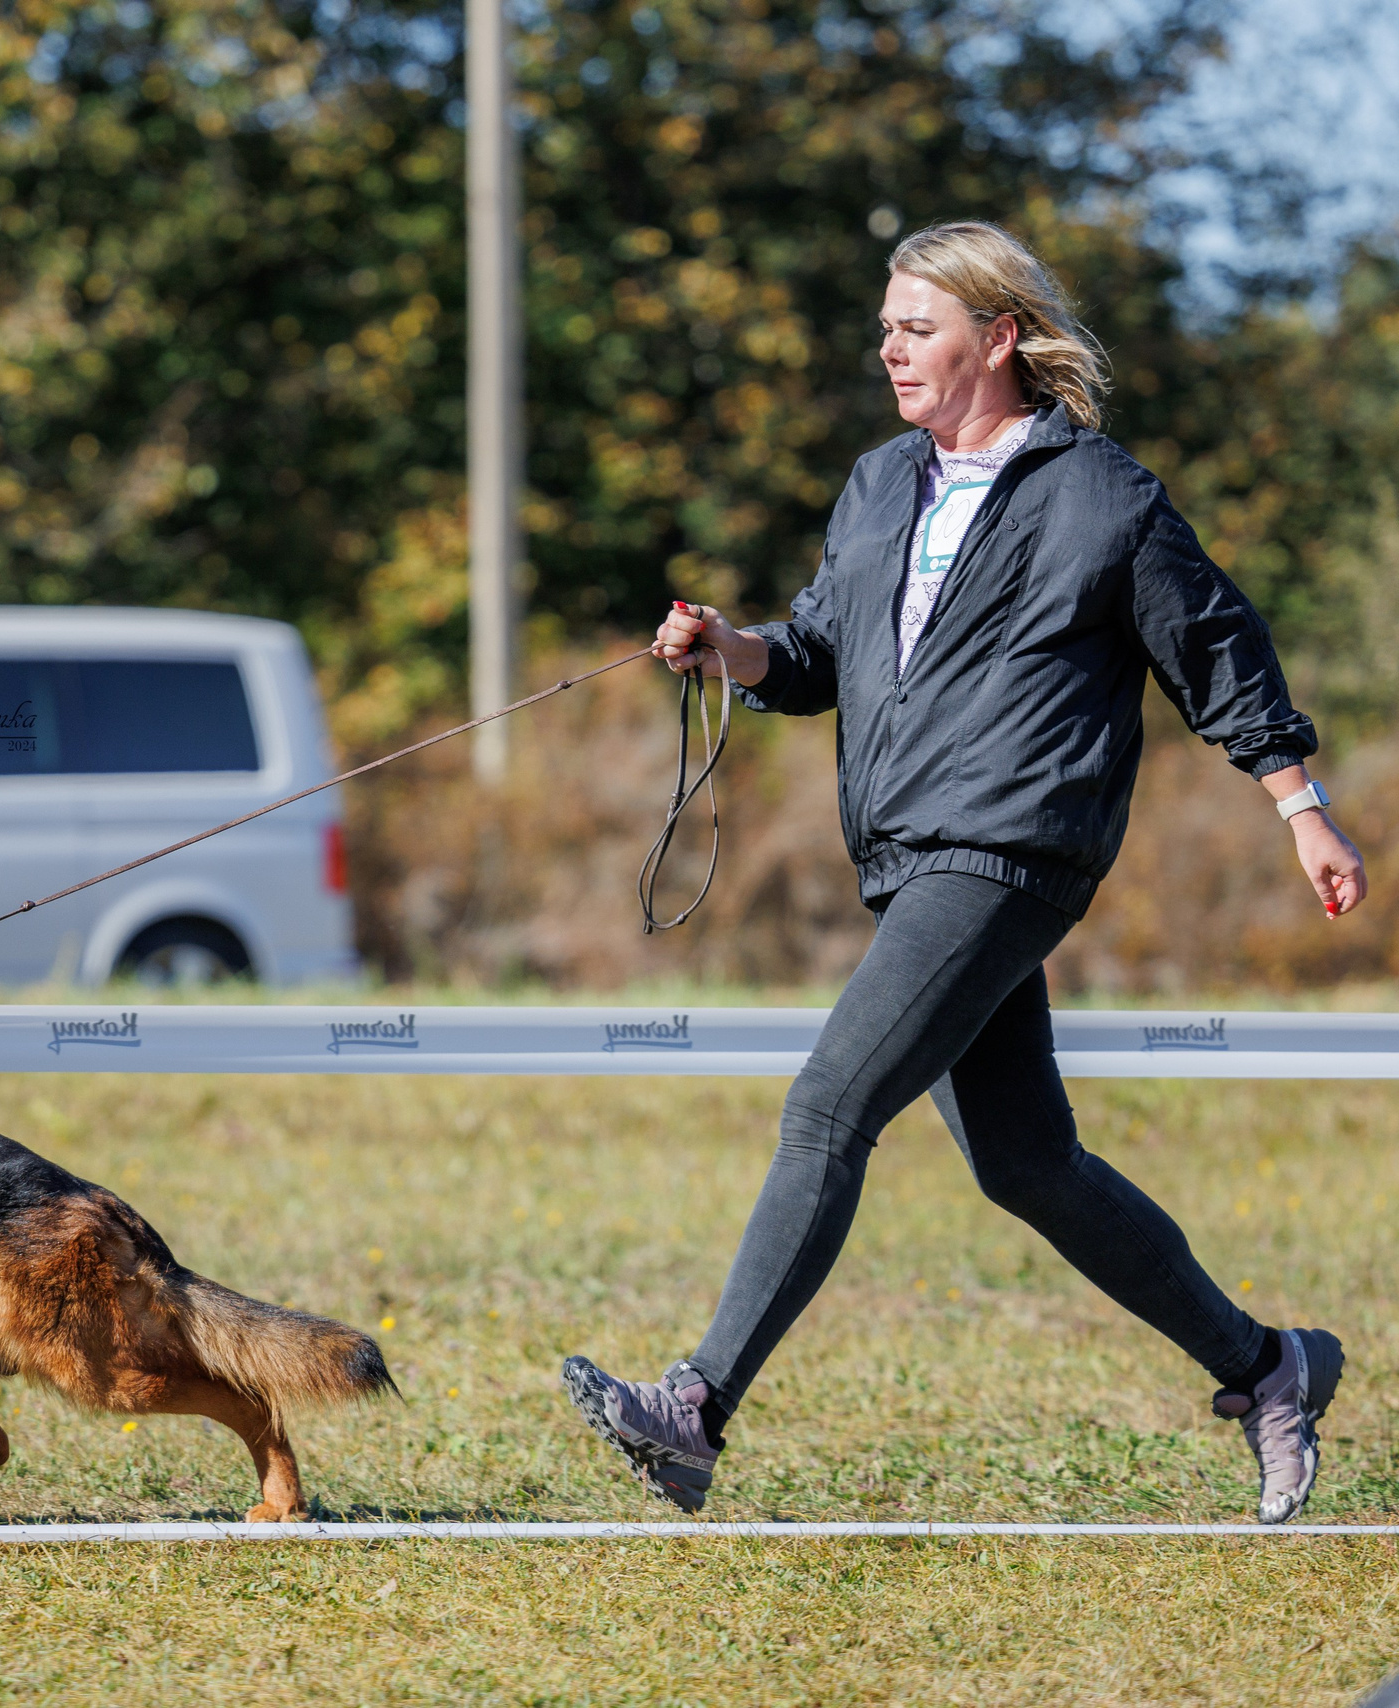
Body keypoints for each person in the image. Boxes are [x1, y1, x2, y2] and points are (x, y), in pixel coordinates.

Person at [560, 221, 1365, 1526]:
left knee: (829, 1106)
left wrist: (1300, 804)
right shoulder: (883, 486)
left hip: (1012, 849)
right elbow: (818, 652)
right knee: (1026, 1165)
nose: (888, 347)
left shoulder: (1103, 495)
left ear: (997, 338)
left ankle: (694, 1411)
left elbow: (1214, 647)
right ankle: (1270, 1368)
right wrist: (733, 647)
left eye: (915, 326)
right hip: (909, 855)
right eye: (884, 326)